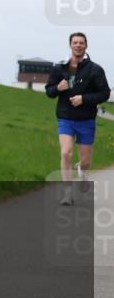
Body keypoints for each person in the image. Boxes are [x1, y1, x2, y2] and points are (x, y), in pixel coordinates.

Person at [45, 32, 110, 205]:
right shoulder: (60, 68)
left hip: (86, 119)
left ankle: (81, 169)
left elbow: (105, 93)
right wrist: (57, 88)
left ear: (86, 46)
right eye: (75, 42)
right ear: (70, 45)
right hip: (65, 117)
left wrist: (84, 99)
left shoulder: (95, 69)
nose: (78, 45)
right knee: (66, 153)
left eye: (81, 43)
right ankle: (67, 194)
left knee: (86, 161)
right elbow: (49, 91)